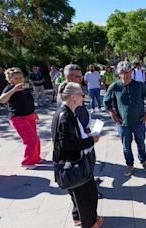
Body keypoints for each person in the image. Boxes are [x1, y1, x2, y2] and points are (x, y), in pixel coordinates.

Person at [51, 82, 103, 228]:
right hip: (74, 164)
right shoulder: (65, 116)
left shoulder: (68, 112)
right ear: (73, 97)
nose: (83, 96)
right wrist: (91, 140)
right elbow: (69, 145)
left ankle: (84, 218)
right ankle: (90, 223)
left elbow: (70, 138)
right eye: (81, 94)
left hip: (71, 163)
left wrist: (87, 136)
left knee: (83, 195)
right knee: (86, 196)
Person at [104, 61, 146, 176]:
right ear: (119, 74)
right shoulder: (115, 87)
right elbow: (106, 101)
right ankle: (129, 164)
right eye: (123, 73)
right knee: (126, 146)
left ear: (131, 72)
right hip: (123, 123)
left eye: (128, 72)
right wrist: (113, 115)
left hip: (139, 121)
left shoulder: (139, 85)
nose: (126, 75)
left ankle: (143, 161)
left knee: (141, 143)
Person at [0, 67, 41, 168]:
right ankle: (27, 162)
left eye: (21, 78)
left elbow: (29, 100)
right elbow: (1, 100)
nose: (19, 80)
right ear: (11, 79)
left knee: (36, 139)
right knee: (31, 140)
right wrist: (14, 90)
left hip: (29, 115)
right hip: (18, 118)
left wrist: (34, 112)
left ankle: (36, 158)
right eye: (16, 78)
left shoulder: (24, 87)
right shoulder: (9, 88)